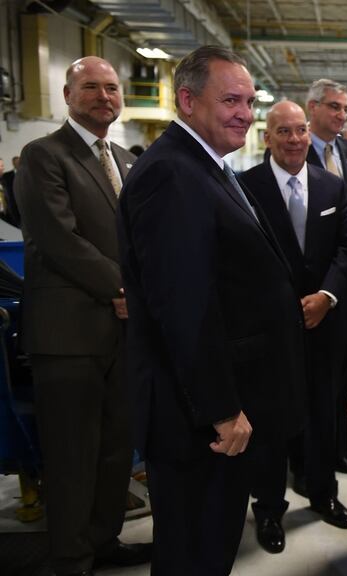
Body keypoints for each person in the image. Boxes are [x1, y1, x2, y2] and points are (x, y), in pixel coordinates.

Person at [118, 45, 305, 575]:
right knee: (194, 550)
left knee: (210, 545)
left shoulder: (206, 166)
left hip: (216, 408)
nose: (245, 112)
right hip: (199, 418)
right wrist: (221, 408)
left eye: (249, 101)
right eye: (230, 100)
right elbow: (182, 305)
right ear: (187, 100)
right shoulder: (172, 174)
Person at [15, 56, 149, 576]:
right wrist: (123, 288)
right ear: (67, 96)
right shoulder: (42, 155)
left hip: (121, 330)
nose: (104, 96)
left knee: (116, 449)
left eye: (112, 88)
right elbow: (57, 238)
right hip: (68, 335)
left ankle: (104, 539)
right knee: (73, 453)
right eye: (90, 87)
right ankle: (71, 557)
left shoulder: (123, 158)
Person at [240, 101, 347, 553]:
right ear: (267, 137)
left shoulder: (332, 187)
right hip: (270, 330)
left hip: (323, 324)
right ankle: (269, 509)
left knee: (324, 414)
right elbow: (241, 260)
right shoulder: (245, 187)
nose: (293, 140)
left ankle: (323, 493)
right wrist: (281, 306)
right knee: (271, 421)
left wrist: (327, 296)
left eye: (299, 131)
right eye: (283, 131)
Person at [305, 79, 347, 475]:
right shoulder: (297, 152)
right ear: (312, 108)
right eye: (333, 106)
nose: (341, 114)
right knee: (314, 381)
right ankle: (309, 461)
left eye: (344, 107)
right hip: (313, 288)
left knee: (343, 377)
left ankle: (335, 452)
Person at [2, 155, 21, 227]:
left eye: (19, 162)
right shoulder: (6, 176)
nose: (17, 163)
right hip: (13, 206)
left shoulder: (27, 174)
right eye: (16, 162)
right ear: (13, 164)